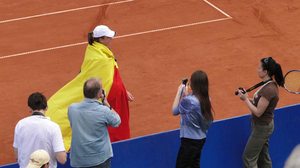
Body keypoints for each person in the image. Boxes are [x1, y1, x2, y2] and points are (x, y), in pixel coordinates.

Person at [47, 25, 133, 150]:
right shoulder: (100, 58)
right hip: (109, 95)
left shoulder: (95, 50)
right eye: (109, 37)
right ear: (102, 39)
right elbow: (101, 77)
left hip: (112, 92)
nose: (111, 39)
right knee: (113, 122)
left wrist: (124, 90)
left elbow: (111, 75)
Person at [237, 57, 284, 168]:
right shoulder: (266, 84)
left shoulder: (269, 90)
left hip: (262, 128)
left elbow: (258, 112)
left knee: (248, 158)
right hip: (262, 125)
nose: (257, 70)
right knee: (263, 157)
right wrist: (248, 98)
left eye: (259, 68)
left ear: (265, 72)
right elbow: (260, 103)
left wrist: (245, 99)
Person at [68, 78, 121, 168]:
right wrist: (106, 103)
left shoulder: (72, 109)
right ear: (99, 94)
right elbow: (117, 121)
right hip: (100, 160)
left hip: (79, 161)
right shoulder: (103, 111)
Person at [172, 70, 214, 168]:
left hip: (189, 141)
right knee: (194, 165)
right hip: (201, 139)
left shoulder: (189, 101)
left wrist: (179, 91)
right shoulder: (206, 98)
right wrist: (186, 96)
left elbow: (174, 111)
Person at [13, 92, 66, 168]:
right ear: (46, 107)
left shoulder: (20, 124)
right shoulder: (54, 127)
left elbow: (17, 154)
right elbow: (62, 159)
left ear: (29, 108)